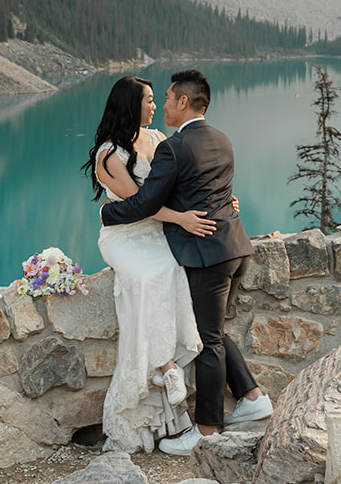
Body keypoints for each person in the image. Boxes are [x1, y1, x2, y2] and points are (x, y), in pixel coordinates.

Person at [101, 69, 273, 456]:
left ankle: (207, 430)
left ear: (183, 101)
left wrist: (107, 215)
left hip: (207, 255)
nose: (161, 104)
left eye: (165, 98)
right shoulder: (222, 139)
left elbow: (145, 204)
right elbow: (208, 190)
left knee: (208, 340)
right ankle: (251, 396)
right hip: (235, 247)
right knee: (210, 328)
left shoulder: (173, 146)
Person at [85, 76, 209, 453]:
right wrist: (183, 219)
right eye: (150, 100)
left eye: (158, 100)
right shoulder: (109, 153)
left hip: (157, 232)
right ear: (130, 104)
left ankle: (166, 372)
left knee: (172, 271)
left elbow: (178, 186)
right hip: (125, 235)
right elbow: (140, 204)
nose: (156, 106)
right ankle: (165, 366)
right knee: (145, 276)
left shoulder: (156, 140)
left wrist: (217, 204)